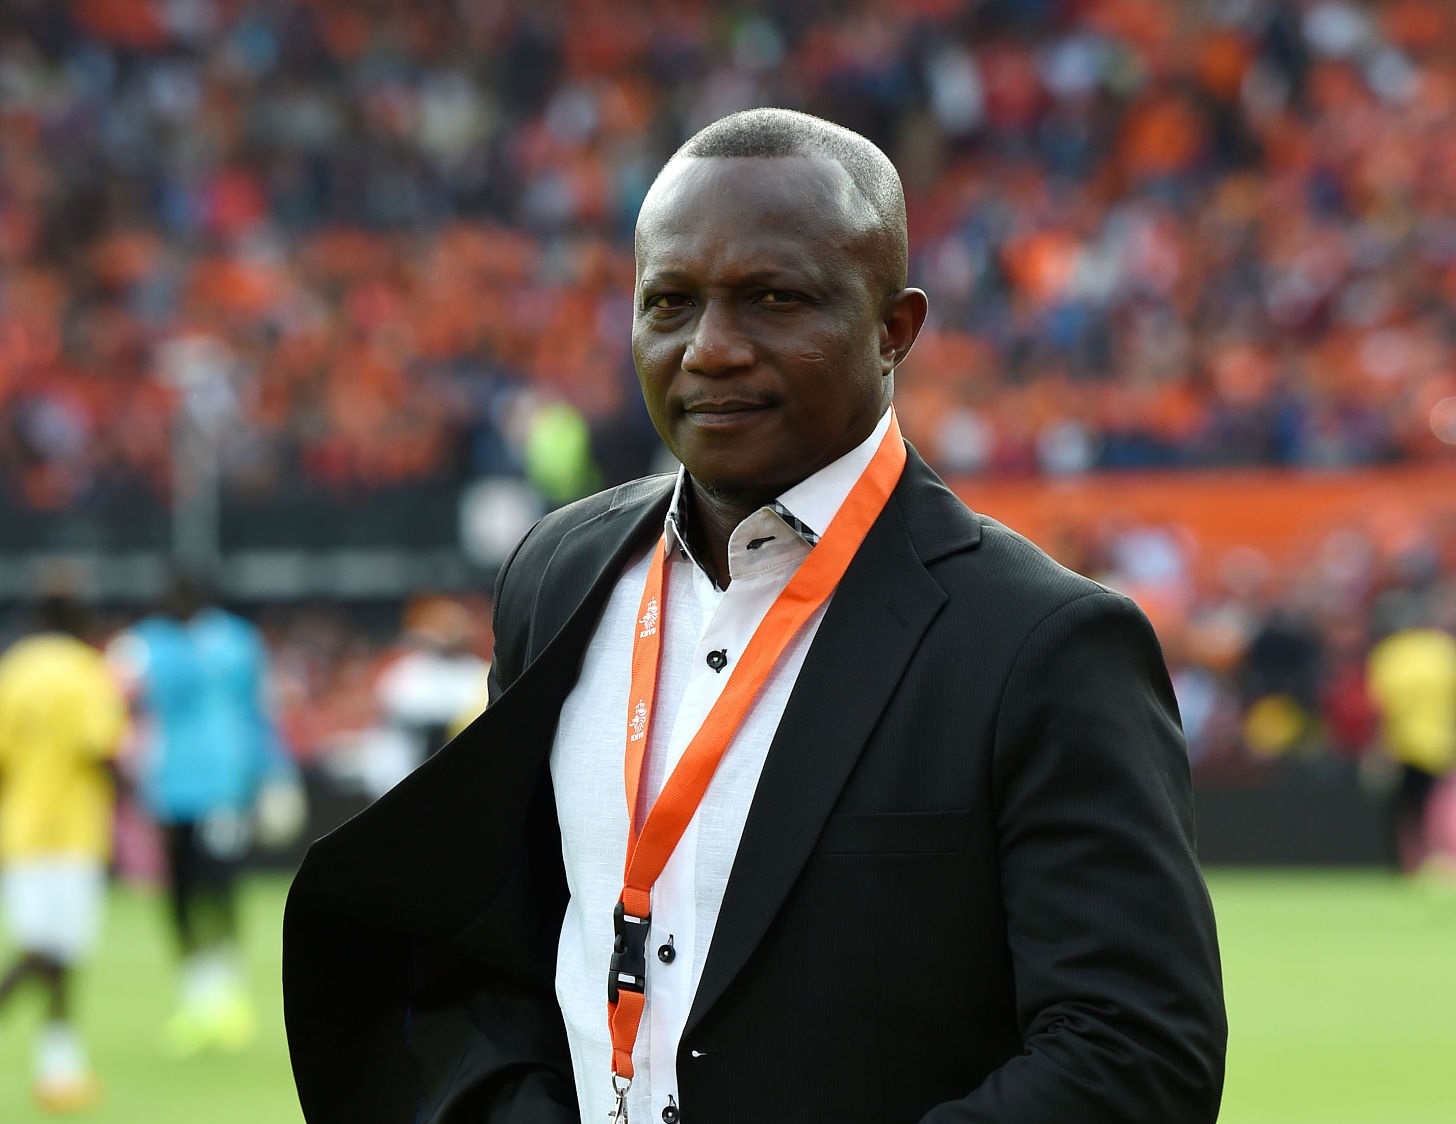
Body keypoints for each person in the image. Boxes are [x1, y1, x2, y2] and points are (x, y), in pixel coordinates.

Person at [283, 108, 1226, 1123]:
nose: (711, 349)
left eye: (775, 299)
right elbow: (493, 955)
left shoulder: (1043, 643)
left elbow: (1134, 1052)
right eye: (670, 302)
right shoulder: (557, 575)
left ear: (894, 330)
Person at [109, 570, 301, 1056]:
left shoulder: (236, 641)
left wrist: (276, 771)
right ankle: (197, 996)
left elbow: (258, 711)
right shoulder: (146, 644)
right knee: (178, 890)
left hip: (223, 784)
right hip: (167, 786)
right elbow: (123, 700)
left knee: (218, 884)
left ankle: (227, 993)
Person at [0, 592, 127, 1113]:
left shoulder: (14, 669)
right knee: (54, 951)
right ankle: (60, 1066)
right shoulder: (86, 671)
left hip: (22, 830)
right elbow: (101, 747)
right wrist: (126, 802)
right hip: (74, 832)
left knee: (52, 954)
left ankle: (60, 1070)